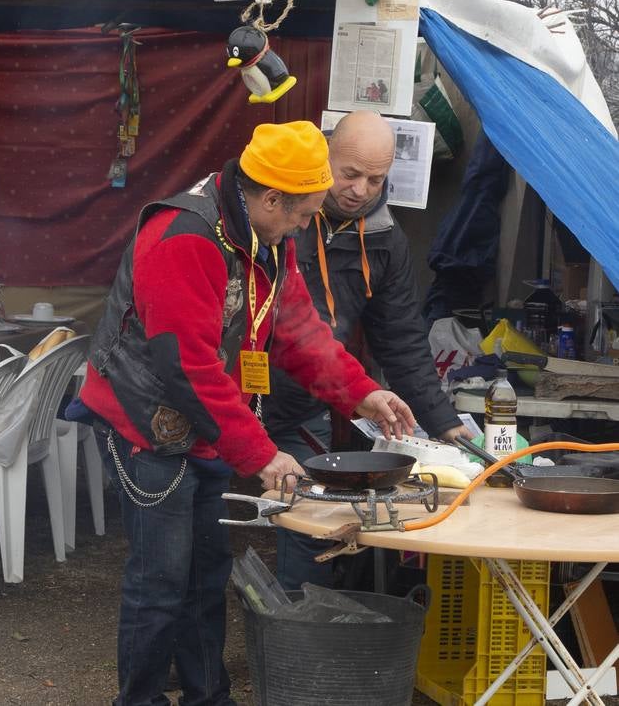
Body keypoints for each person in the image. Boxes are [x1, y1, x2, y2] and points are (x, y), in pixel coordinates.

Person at [77, 121, 417, 706]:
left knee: (205, 574)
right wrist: (260, 454)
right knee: (160, 581)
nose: (311, 224)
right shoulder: (184, 236)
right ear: (270, 197)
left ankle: (209, 696)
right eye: (305, 213)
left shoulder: (269, 234)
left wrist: (361, 394)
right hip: (145, 424)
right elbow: (188, 368)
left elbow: (300, 332)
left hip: (204, 430)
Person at [265, 110, 467, 591]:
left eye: (375, 179)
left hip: (304, 405)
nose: (360, 189)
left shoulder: (384, 241)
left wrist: (447, 424)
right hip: (235, 392)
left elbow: (402, 340)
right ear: (324, 154)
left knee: (308, 526)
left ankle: (300, 635)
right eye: (349, 173)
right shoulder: (280, 216)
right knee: (206, 530)